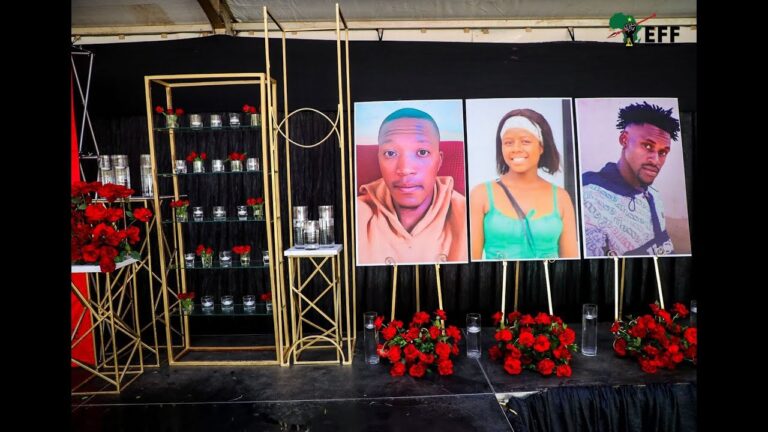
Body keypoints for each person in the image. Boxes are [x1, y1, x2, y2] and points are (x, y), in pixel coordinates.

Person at [357, 107, 467, 264]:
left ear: (439, 161)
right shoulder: (358, 215)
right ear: (379, 159)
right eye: (390, 153)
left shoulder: (468, 215)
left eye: (422, 152)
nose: (405, 169)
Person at [469, 109, 578, 260]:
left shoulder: (561, 197)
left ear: (541, 147)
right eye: (508, 143)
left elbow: (571, 262)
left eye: (525, 141)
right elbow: (472, 262)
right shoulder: (480, 194)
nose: (516, 149)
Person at [581, 101, 681, 257]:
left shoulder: (653, 193)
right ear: (624, 139)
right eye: (648, 146)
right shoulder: (589, 199)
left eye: (663, 152)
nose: (656, 160)